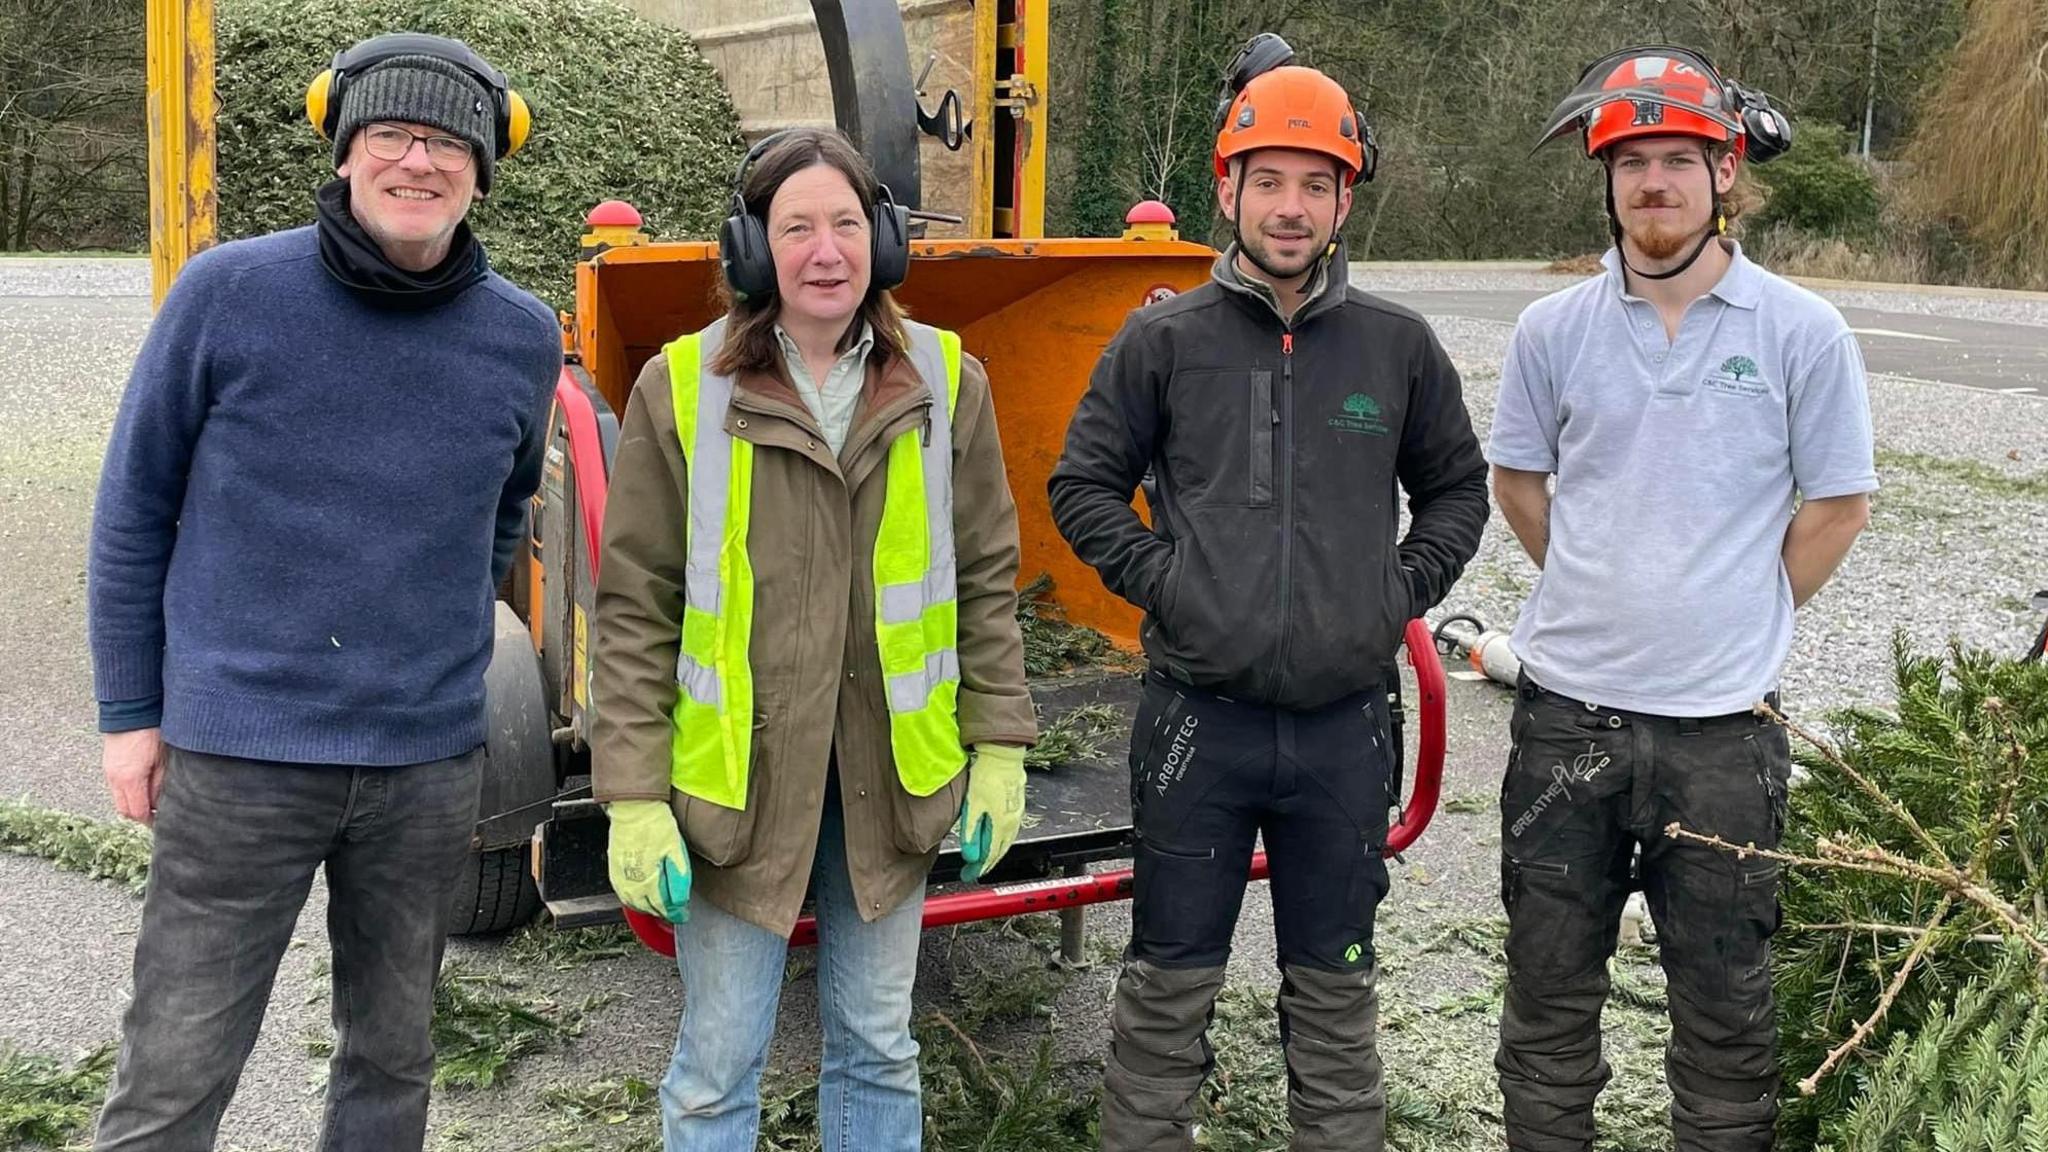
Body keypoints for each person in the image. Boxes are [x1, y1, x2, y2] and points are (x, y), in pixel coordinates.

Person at [86, 32, 560, 1152]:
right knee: (177, 1067)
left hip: (425, 768)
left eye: (450, 143)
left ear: (483, 172)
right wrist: (129, 716)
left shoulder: (520, 336)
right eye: (392, 133)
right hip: (239, 761)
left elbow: (497, 521)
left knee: (391, 1060)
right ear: (345, 152)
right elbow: (133, 513)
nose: (419, 160)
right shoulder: (228, 294)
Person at [1047, 43, 1490, 1152]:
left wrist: (1393, 588)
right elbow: (1080, 485)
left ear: (1344, 199)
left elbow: (1457, 491)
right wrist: (1170, 584)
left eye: (1314, 184)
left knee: (1335, 996)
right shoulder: (1162, 341)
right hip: (1200, 725)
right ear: (1226, 188)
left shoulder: (1395, 348)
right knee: (1165, 990)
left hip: (1343, 732)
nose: (1289, 209)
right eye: (1267, 180)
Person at [589, 125, 1038, 1152]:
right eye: (795, 228)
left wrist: (1000, 740)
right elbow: (635, 609)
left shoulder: (944, 379)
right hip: (737, 791)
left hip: (893, 779)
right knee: (717, 1059)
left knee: (878, 1045)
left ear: (881, 238)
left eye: (845, 223)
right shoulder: (682, 386)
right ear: (752, 250)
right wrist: (630, 797)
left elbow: (981, 579)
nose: (824, 251)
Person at [1488, 46, 1876, 1152]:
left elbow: (1836, 505)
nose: (1650, 183)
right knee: (1547, 1008)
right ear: (1603, 179)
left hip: (1721, 740)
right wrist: (1598, 580)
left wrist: (1735, 612)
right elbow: (1517, 484)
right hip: (1564, 718)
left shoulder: (1800, 332)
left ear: (1724, 175)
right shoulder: (1548, 333)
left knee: (1725, 1020)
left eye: (1675, 161)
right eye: (1629, 163)